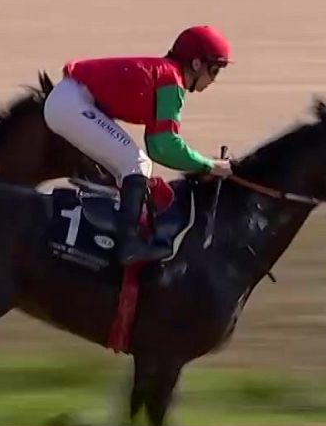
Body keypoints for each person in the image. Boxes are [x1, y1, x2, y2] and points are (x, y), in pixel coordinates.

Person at [42, 25, 234, 265]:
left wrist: (203, 165)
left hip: (70, 100)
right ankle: (127, 246)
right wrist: (209, 165)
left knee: (134, 166)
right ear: (196, 64)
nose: (213, 80)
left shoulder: (166, 74)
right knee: (137, 163)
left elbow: (156, 145)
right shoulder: (171, 80)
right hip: (71, 103)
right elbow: (165, 147)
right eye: (214, 70)